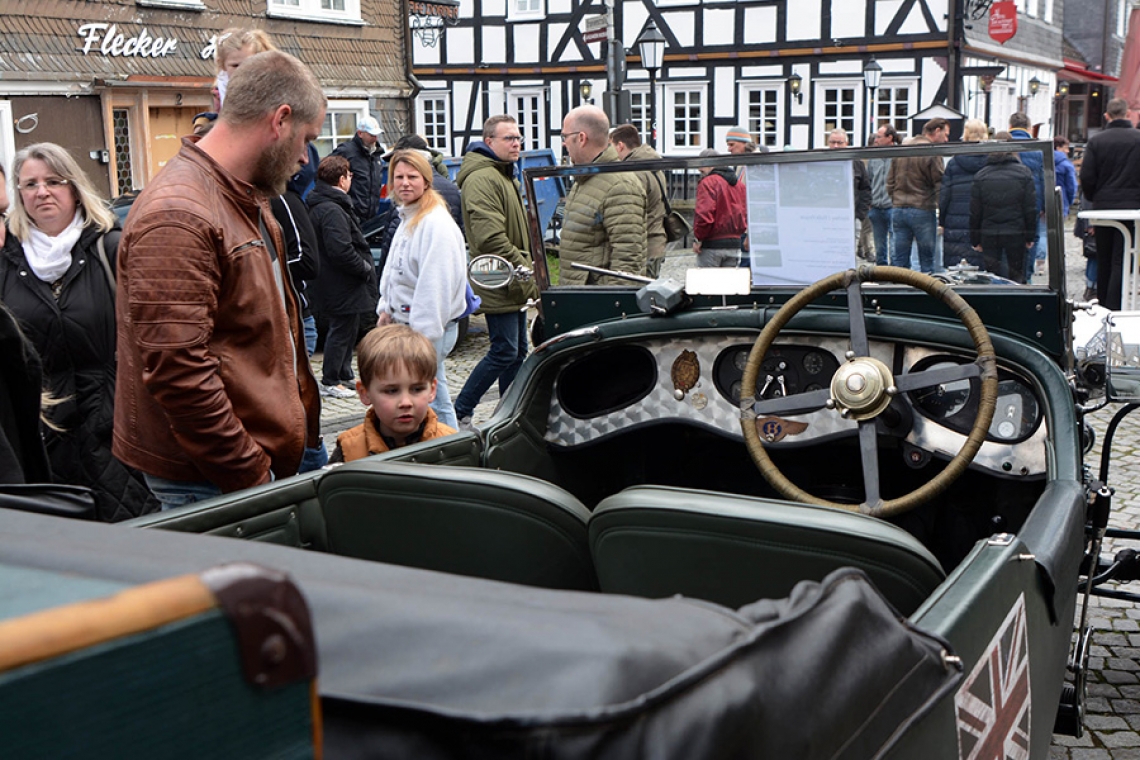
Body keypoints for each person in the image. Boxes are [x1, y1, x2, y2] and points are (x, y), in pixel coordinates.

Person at [114, 50, 326, 508]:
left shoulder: (240, 196)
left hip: (252, 461)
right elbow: (179, 374)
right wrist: (250, 473)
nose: (306, 159)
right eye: (306, 139)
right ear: (280, 121)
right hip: (213, 479)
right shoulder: (179, 214)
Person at [0, 143, 157, 520]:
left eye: (53, 181)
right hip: (45, 437)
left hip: (115, 433)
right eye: (30, 184)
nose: (42, 192)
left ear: (74, 187)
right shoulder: (6, 260)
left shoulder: (112, 248)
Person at [453, 115, 539, 429]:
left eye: (518, 138)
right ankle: (461, 409)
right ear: (489, 142)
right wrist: (526, 270)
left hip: (512, 276)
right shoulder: (482, 178)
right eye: (509, 139)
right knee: (504, 350)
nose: (517, 144)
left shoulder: (502, 173)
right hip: (499, 276)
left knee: (517, 351)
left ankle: (508, 414)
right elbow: (490, 238)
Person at [377, 149, 467, 428]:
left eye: (412, 177)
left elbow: (435, 285)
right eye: (398, 177)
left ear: (426, 181)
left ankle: (452, 450)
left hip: (427, 330)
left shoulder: (434, 223)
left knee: (434, 400)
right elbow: (394, 268)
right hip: (408, 325)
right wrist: (385, 307)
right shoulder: (410, 216)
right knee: (429, 397)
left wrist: (422, 338)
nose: (404, 183)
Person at [330, 324, 457, 462]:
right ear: (365, 393)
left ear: (432, 390)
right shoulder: (350, 450)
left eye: (417, 389)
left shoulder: (452, 445)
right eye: (391, 391)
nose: (406, 403)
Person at [307, 155, 377, 400]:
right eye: (349, 174)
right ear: (341, 178)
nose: (351, 179)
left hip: (341, 283)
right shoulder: (331, 208)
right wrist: (364, 268)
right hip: (341, 282)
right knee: (341, 330)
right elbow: (340, 250)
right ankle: (331, 379)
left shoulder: (328, 204)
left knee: (349, 328)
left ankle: (344, 374)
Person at [559, 105, 647, 284]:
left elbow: (628, 263)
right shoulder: (586, 178)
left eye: (565, 136)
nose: (563, 143)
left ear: (581, 138)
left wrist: (609, 308)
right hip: (578, 299)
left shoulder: (620, 185)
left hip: (596, 304)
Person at [1080, 97, 1140, 310]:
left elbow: (1087, 176)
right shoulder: (1138, 139)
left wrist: (1094, 197)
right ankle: (1117, 304)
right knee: (1122, 258)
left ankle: (1105, 303)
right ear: (1128, 114)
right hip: (1133, 208)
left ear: (1107, 116)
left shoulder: (1097, 141)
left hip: (1104, 205)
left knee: (1104, 256)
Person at [887, 117, 949, 273]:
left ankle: (899, 292)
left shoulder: (903, 148)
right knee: (927, 263)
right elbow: (939, 183)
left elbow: (890, 181)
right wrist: (941, 209)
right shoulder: (931, 151)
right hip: (922, 208)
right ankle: (925, 296)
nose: (946, 139)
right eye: (946, 134)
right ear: (937, 131)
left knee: (900, 262)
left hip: (899, 209)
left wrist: (895, 199)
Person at [969, 148, 1037, 284]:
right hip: (1016, 230)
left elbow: (975, 211)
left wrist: (975, 239)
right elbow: (1030, 208)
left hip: (989, 232)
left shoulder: (981, 175)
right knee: (1017, 274)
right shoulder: (1024, 173)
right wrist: (1030, 235)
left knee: (992, 276)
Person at [610, 123, 667, 277]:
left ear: (620, 146)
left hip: (645, 246)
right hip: (657, 241)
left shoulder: (636, 172)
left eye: (611, 146)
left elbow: (631, 212)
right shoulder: (653, 165)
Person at [938, 118, 989, 268]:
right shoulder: (990, 162)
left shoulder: (954, 162)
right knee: (980, 265)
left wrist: (942, 220)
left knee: (956, 265)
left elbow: (945, 194)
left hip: (955, 217)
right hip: (981, 219)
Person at [693, 148, 748, 268]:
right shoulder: (739, 185)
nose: (700, 171)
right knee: (727, 285)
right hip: (734, 244)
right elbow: (745, 213)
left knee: (708, 285)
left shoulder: (708, 182)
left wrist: (699, 239)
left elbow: (704, 215)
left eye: (701, 168)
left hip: (712, 244)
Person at [1007, 112, 1046, 280]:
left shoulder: (1005, 145)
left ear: (1010, 127)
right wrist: (1044, 205)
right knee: (1032, 238)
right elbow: (1044, 179)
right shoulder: (1037, 149)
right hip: (1033, 202)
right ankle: (1027, 276)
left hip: (1009, 202)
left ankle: (1011, 274)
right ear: (1029, 128)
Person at [826, 128, 871, 258]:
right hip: (826, 217)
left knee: (847, 255)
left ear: (846, 144)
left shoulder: (856, 163)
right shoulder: (822, 162)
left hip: (850, 217)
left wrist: (860, 215)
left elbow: (865, 189)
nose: (835, 146)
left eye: (839, 143)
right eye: (832, 142)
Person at [333, 115, 386, 223]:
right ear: (360, 133)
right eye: (371, 135)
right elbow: (326, 175)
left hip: (370, 217)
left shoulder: (376, 154)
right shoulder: (346, 151)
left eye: (377, 135)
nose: (375, 138)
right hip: (350, 216)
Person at [867, 123, 900, 265]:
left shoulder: (898, 157)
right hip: (875, 207)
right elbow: (869, 179)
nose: (876, 140)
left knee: (894, 245)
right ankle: (881, 274)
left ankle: (894, 275)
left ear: (890, 138)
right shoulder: (873, 157)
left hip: (893, 206)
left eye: (879, 137)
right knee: (879, 246)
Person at [1054, 135, 1078, 218]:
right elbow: (1072, 187)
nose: (1067, 151)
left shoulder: (1041, 161)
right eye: (1065, 148)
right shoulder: (1067, 165)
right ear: (1058, 148)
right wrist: (1069, 202)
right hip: (1061, 202)